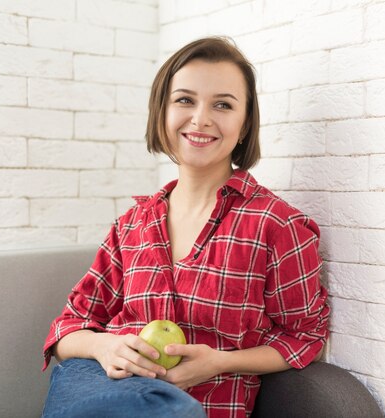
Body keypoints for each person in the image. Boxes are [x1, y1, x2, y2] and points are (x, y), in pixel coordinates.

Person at [41, 36, 330, 418]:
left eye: (222, 105)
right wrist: (103, 348)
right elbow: (68, 329)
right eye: (184, 100)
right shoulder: (132, 226)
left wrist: (220, 362)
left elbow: (304, 336)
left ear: (244, 124)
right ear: (162, 112)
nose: (201, 118)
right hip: (109, 397)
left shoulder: (276, 225)